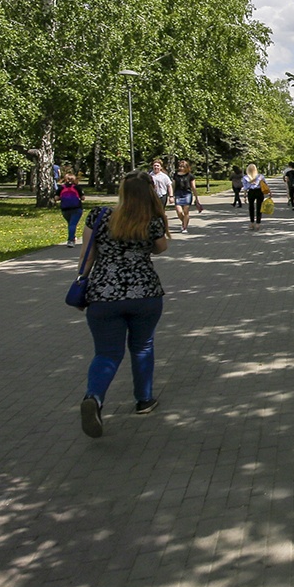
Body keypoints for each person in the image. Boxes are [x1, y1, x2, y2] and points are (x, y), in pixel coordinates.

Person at [78, 171, 170, 437]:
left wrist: (82, 286)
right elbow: (161, 248)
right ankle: (144, 399)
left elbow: (87, 256)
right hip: (145, 294)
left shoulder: (99, 216)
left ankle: (94, 398)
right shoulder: (151, 220)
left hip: (104, 295)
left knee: (106, 353)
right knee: (142, 346)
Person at [57, 169, 85, 245]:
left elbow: (56, 198)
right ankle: (70, 240)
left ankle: (72, 237)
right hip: (77, 208)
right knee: (73, 224)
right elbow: (83, 198)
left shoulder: (61, 188)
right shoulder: (77, 187)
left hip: (65, 209)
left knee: (70, 224)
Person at [171, 158, 197, 231]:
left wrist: (196, 198)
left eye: (183, 166)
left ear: (186, 167)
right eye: (180, 166)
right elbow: (173, 185)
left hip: (187, 194)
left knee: (186, 211)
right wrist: (171, 195)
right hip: (178, 193)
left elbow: (193, 187)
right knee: (179, 211)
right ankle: (184, 221)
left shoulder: (190, 176)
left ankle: (184, 227)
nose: (181, 168)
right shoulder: (176, 175)